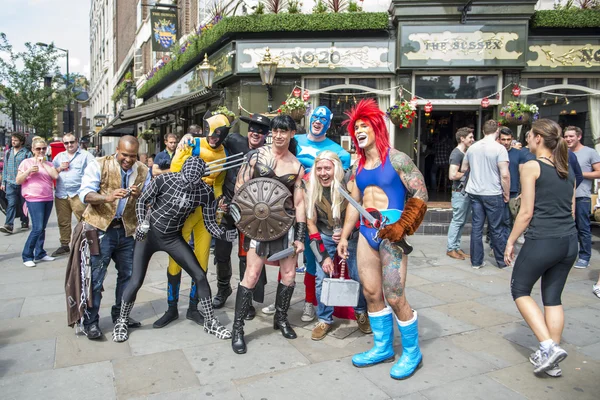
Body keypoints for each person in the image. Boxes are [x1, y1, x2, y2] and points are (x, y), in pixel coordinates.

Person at [337, 99, 428, 380]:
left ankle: (412, 352)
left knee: (395, 293)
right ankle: (383, 347)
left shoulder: (397, 158)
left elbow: (421, 194)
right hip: (366, 233)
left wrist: (403, 226)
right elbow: (355, 201)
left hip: (392, 235)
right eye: (356, 128)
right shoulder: (359, 166)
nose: (359, 131)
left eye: (364, 126)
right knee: (372, 293)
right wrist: (344, 234)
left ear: (376, 127)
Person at [112, 157, 235, 342]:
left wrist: (223, 234)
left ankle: (210, 321)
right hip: (149, 234)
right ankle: (121, 320)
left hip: (172, 237)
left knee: (199, 275)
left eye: (193, 183)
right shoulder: (164, 180)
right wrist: (141, 224)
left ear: (201, 178)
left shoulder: (205, 191)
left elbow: (209, 223)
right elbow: (141, 200)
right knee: (136, 280)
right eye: (186, 180)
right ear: (182, 173)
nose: (188, 187)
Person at [504, 119, 577, 377]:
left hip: (543, 239)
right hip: (569, 241)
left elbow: (525, 213)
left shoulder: (531, 166)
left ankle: (547, 346)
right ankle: (551, 360)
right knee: (553, 298)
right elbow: (571, 209)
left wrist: (510, 241)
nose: (526, 140)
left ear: (538, 138)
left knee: (520, 289)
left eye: (529, 136)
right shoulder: (567, 168)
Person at [229, 115, 306, 354]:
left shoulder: (297, 166)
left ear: (292, 134)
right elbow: (241, 187)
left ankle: (281, 318)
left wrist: (300, 236)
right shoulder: (256, 156)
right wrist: (240, 219)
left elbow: (300, 202)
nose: (279, 135)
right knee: (251, 275)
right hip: (258, 225)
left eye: (284, 131)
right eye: (276, 130)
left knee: (290, 274)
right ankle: (238, 328)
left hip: (285, 224)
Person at [153, 120, 229, 329]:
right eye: (210, 133)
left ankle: (193, 308)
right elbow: (176, 170)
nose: (213, 137)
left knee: (202, 261)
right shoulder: (193, 143)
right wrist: (186, 149)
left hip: (206, 212)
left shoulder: (223, 155)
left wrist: (220, 201)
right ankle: (171, 308)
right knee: (175, 261)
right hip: (184, 211)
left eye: (218, 134)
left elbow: (219, 183)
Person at [78, 135, 150, 340]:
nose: (128, 160)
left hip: (127, 231)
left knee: (128, 276)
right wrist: (107, 197)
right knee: (96, 278)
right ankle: (90, 322)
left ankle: (121, 316)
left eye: (133, 156)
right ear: (116, 151)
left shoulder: (143, 170)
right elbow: (85, 194)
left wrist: (139, 195)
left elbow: (149, 198)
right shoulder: (99, 164)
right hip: (100, 229)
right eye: (124, 155)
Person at [293, 105, 351, 322]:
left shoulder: (339, 152)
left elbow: (344, 188)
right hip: (296, 208)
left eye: (323, 119)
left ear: (328, 123)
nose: (318, 121)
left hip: (324, 214)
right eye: (315, 117)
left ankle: (312, 303)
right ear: (309, 118)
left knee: (316, 261)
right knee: (295, 256)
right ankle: (296, 301)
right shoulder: (294, 141)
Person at [306, 151, 370, 340]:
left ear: (336, 168)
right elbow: (311, 223)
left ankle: (361, 312)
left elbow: (359, 208)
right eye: (319, 168)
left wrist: (346, 234)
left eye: (327, 168)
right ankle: (324, 319)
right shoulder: (309, 186)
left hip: (350, 235)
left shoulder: (349, 182)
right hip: (324, 235)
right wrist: (323, 256)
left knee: (357, 275)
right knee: (321, 277)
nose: (323, 173)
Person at [212, 113, 269, 316]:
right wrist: (190, 139)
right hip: (226, 208)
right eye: (253, 129)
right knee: (221, 250)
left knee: (247, 255)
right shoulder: (235, 141)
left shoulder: (268, 153)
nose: (256, 133)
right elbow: (213, 137)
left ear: (266, 135)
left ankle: (247, 299)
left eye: (261, 131)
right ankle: (223, 288)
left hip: (250, 214)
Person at [461, 120, 510, 269]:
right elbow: (505, 175)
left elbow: (464, 168)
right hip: (493, 192)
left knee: (476, 227)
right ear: (497, 131)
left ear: (482, 131)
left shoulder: (472, 148)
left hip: (475, 192)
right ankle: (501, 261)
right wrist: (506, 193)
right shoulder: (499, 149)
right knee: (496, 227)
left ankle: (476, 262)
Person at [16, 137, 59, 267]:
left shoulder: (49, 163)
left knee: (42, 228)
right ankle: (27, 255)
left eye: (43, 148)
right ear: (33, 149)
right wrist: (29, 171)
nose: (41, 151)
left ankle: (40, 252)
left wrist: (44, 163)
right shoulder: (26, 162)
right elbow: (18, 180)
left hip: (47, 198)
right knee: (37, 228)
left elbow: (55, 176)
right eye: (38, 149)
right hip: (34, 198)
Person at [51, 133, 96, 256]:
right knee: (63, 221)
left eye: (72, 142)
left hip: (78, 194)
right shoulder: (59, 157)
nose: (69, 145)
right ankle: (64, 245)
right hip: (61, 193)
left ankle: (88, 243)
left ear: (77, 142)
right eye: (66, 143)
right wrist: (60, 168)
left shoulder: (86, 156)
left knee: (84, 219)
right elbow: (51, 173)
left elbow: (95, 172)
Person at [563, 126, 600, 269]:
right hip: (565, 197)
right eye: (566, 137)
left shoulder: (590, 152)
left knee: (583, 228)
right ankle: (568, 255)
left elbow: (598, 172)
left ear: (579, 137)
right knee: (568, 228)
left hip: (581, 196)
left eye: (571, 136)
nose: (568, 139)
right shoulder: (563, 152)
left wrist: (579, 173)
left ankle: (584, 256)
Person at [446, 127, 474, 260]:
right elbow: (452, 175)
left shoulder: (463, 152)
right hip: (459, 192)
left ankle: (456, 247)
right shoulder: (457, 154)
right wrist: (468, 173)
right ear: (462, 138)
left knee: (461, 221)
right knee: (457, 221)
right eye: (470, 137)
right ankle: (451, 248)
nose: (472, 140)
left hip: (464, 192)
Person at [0, 132, 32, 234]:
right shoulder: (8, 152)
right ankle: (9, 225)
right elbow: (5, 168)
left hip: (23, 183)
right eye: (12, 140)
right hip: (10, 183)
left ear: (21, 142)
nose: (13, 142)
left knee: (23, 204)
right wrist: (3, 182)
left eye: (16, 140)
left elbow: (30, 168)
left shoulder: (27, 153)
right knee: (11, 204)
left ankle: (24, 221)